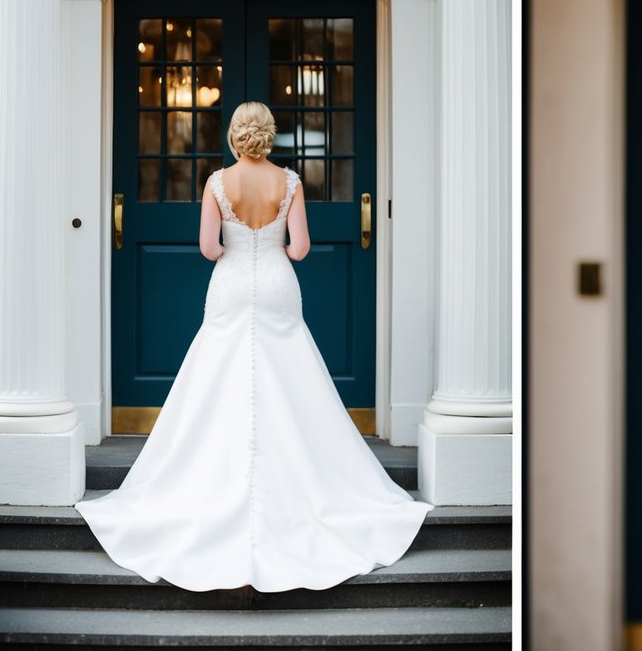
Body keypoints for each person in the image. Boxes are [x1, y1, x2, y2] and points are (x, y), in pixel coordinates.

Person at [77, 101, 431, 592]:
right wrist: (278, 247)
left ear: (234, 135)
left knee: (217, 377)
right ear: (268, 134)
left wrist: (232, 248)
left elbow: (208, 248)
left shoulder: (217, 183)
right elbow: (301, 248)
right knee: (292, 378)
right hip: (279, 285)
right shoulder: (290, 182)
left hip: (232, 284)